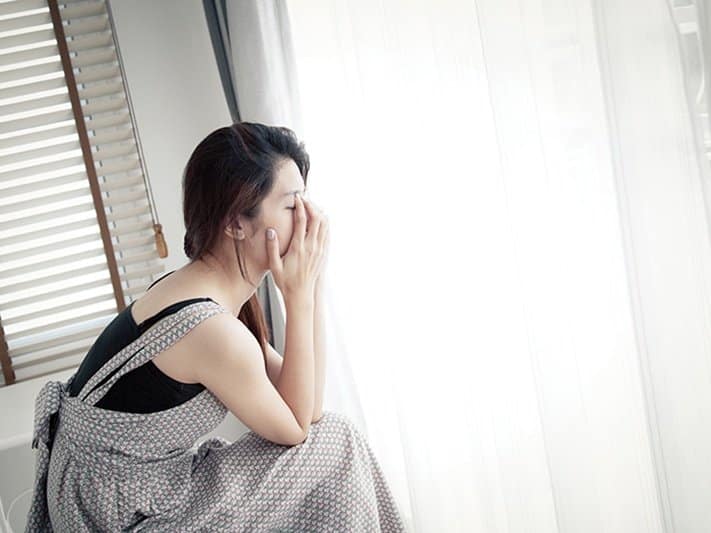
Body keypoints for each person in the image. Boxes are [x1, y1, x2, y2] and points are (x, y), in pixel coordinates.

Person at [25, 122, 407, 532]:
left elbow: (306, 406)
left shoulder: (206, 293)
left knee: (333, 436)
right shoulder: (212, 331)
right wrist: (297, 297)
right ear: (236, 223)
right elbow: (298, 428)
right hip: (119, 516)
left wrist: (309, 285)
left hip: (128, 491)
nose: (310, 219)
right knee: (337, 442)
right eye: (293, 204)